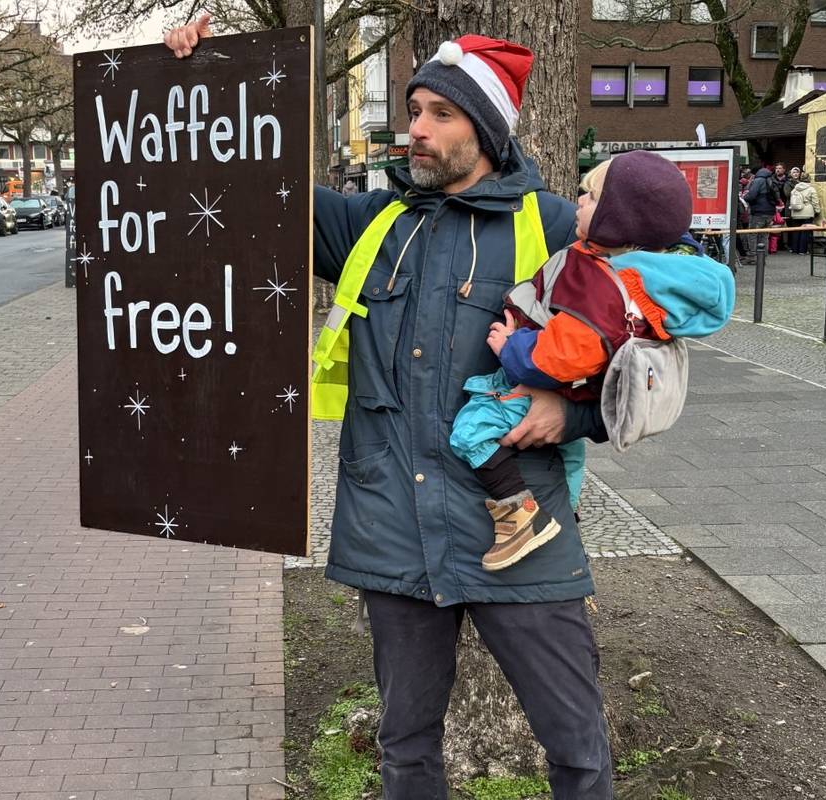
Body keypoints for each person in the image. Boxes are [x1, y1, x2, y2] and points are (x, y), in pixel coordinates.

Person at [167, 19, 616, 799]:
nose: (418, 130)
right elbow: (239, 184)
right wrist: (195, 78)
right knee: (406, 750)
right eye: (414, 111)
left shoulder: (551, 228)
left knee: (578, 749)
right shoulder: (370, 226)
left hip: (521, 532)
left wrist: (567, 414)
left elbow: (642, 371)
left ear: (487, 130)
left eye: (441, 114)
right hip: (394, 531)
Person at [449, 151, 733, 572]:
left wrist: (511, 346)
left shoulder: (604, 286)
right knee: (570, 456)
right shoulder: (651, 268)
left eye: (592, 196)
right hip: (582, 391)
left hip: (545, 384)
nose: (578, 201)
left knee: (469, 432)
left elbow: (554, 359)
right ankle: (568, 514)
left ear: (619, 219)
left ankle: (518, 515)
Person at [741, 165, 780, 264]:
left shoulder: (758, 180)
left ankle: (752, 257)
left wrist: (744, 197)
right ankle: (762, 257)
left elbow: (751, 196)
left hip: (758, 212)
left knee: (753, 234)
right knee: (764, 235)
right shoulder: (771, 179)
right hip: (770, 212)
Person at [787, 171, 821, 255]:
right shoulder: (811, 189)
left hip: (795, 212)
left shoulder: (795, 189)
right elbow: (815, 202)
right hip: (807, 213)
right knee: (805, 232)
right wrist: (817, 211)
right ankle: (802, 250)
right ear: (809, 179)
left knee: (796, 231)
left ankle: (795, 249)